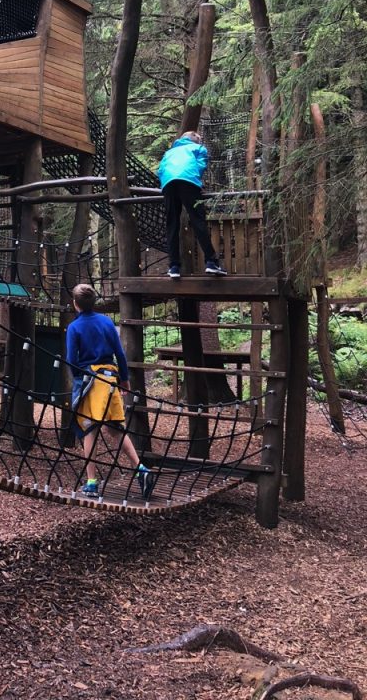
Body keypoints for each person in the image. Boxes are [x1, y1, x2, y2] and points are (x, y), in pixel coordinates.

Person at [66, 284, 156, 501]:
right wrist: (124, 380)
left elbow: (71, 360)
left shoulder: (75, 327)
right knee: (115, 428)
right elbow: (120, 354)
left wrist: (78, 382)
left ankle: (91, 483)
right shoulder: (106, 322)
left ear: (75, 304)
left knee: (89, 429)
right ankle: (141, 469)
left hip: (92, 382)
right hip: (110, 379)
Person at [157, 130, 227, 278]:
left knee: (172, 224)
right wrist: (197, 182)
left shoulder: (169, 152)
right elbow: (200, 167)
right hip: (188, 182)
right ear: (195, 140)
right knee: (197, 220)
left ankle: (174, 267)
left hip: (168, 184)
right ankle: (211, 262)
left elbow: (161, 170)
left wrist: (165, 184)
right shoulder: (199, 149)